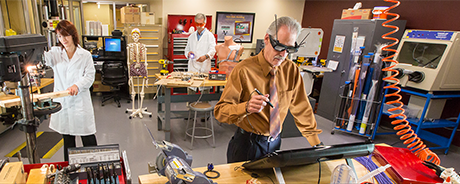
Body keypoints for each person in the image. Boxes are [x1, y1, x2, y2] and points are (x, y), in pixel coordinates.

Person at [214, 16, 324, 163]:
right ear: (267, 39)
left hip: (275, 144)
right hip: (247, 145)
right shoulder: (243, 70)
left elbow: (302, 108)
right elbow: (220, 112)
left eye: (289, 49)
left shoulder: (291, 70)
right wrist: (245, 107)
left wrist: (317, 144)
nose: (283, 54)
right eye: (278, 47)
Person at [44, 20, 97, 161]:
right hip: (64, 103)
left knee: (88, 138)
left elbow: (90, 76)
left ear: (73, 35)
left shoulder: (85, 55)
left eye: (66, 35)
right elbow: (42, 60)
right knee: (67, 140)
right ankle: (70, 171)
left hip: (80, 103)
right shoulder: (55, 53)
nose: (63, 39)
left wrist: (77, 86)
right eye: (60, 36)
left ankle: (95, 167)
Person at [184, 13, 216, 94]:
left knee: (204, 94)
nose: (198, 26)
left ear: (204, 23)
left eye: (201, 24)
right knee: (191, 93)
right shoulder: (191, 36)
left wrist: (206, 56)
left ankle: (204, 105)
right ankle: (190, 107)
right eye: (197, 24)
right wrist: (188, 53)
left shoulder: (210, 36)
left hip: (204, 67)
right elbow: (186, 50)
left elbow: (213, 49)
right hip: (193, 67)